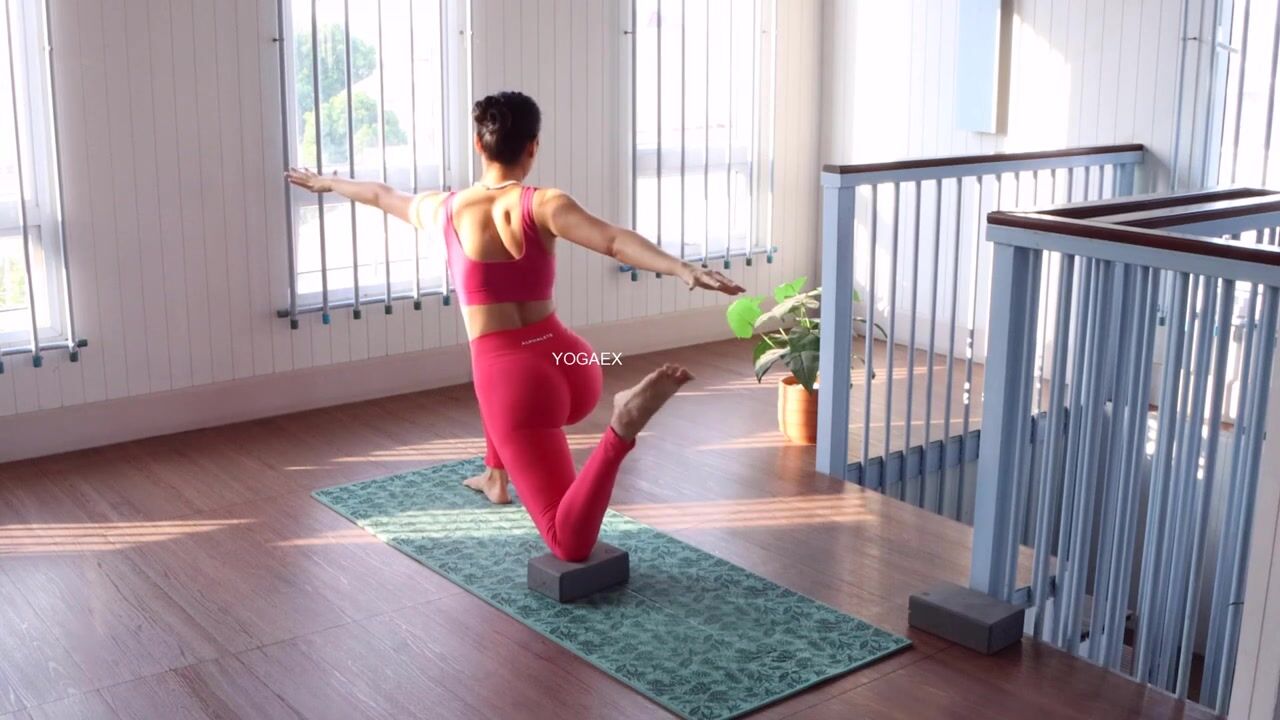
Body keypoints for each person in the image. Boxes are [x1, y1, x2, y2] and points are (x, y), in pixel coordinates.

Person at [287, 91, 744, 562]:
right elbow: (613, 241)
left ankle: (621, 427)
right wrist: (682, 268)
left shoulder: (443, 209)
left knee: (568, 541)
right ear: (533, 146)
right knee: (496, 391)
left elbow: (382, 194)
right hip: (572, 359)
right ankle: (495, 477)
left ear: (478, 144)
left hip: (521, 385)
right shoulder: (544, 204)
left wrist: (327, 182)